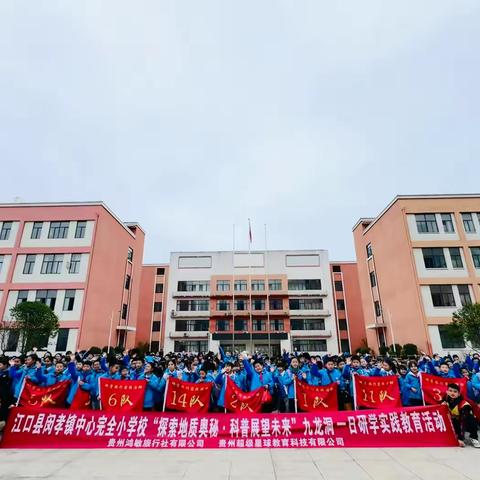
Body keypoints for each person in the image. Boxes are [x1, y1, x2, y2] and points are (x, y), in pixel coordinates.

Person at [442, 383, 480, 448]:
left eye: (455, 391)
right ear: (447, 391)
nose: (452, 393)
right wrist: (442, 405)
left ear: (459, 394)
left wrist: (460, 438)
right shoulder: (446, 398)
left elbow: (463, 422)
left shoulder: (464, 405)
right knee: (453, 421)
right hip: (456, 418)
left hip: (466, 419)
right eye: (450, 391)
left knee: (471, 422)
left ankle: (473, 437)